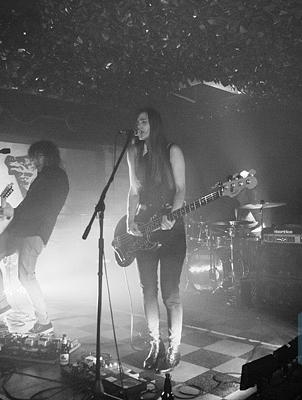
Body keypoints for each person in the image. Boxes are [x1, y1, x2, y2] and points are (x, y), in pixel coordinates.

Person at [0, 140, 69, 334]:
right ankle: (1, 304)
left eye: (38, 156)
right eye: (33, 156)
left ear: (48, 156)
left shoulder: (57, 176)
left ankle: (44, 321)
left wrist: (14, 212)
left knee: (26, 276)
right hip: (18, 228)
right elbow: (30, 204)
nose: (34, 161)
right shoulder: (41, 177)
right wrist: (11, 213)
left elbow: (45, 207)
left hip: (36, 231)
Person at [126, 107, 186, 373]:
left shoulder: (172, 150)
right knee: (147, 291)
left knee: (170, 293)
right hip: (144, 227)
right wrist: (130, 219)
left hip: (171, 228)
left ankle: (174, 348)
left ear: (155, 125)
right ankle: (155, 344)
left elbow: (181, 189)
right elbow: (133, 190)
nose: (138, 125)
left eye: (143, 121)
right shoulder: (133, 152)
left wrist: (173, 214)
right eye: (137, 122)